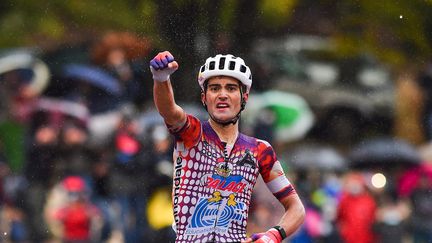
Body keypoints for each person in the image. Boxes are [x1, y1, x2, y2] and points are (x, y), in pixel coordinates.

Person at [149, 51, 305, 242]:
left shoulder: (260, 150)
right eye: (214, 88)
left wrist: (272, 236)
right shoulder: (191, 134)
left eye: (231, 88)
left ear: (244, 97)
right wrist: (161, 78)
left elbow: (296, 208)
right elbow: (169, 110)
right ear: (204, 98)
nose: (222, 95)